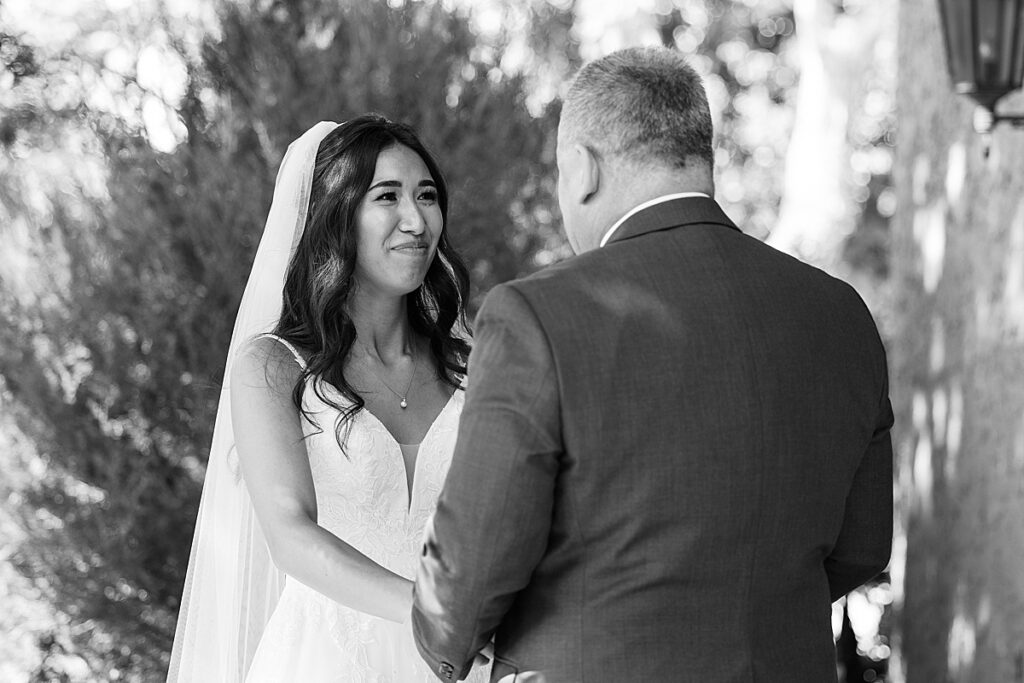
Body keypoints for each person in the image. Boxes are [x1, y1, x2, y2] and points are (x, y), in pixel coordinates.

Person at [412, 47, 894, 682]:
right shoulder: (841, 315)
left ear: (581, 169)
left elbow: (466, 582)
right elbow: (862, 546)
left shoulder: (537, 316)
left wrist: (446, 637)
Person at [167, 115, 490, 682]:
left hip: (462, 663)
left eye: (428, 196)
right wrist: (431, 616)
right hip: (328, 660)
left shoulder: (471, 363)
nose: (416, 220)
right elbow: (291, 534)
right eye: (387, 196)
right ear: (336, 214)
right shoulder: (271, 367)